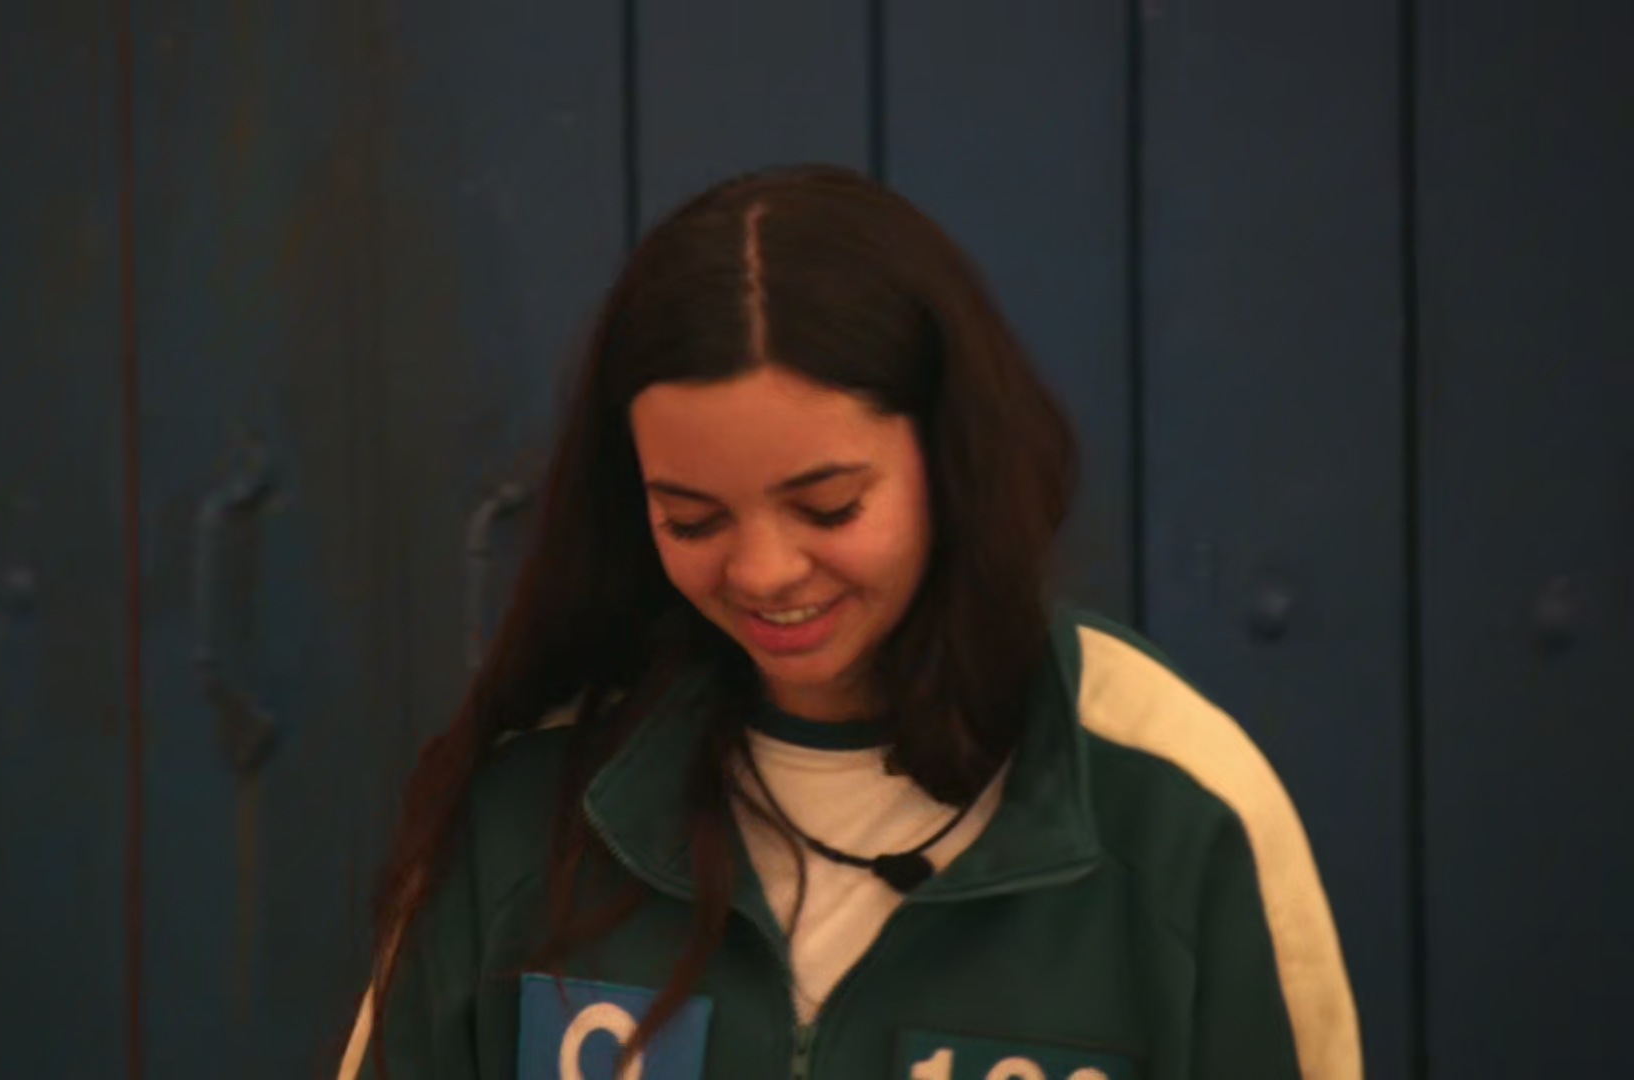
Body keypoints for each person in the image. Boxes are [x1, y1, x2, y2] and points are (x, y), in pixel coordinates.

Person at [339, 164, 1359, 1080]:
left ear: (949, 462)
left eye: (829, 508)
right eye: (692, 519)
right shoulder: (532, 795)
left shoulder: (1172, 805)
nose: (763, 571)